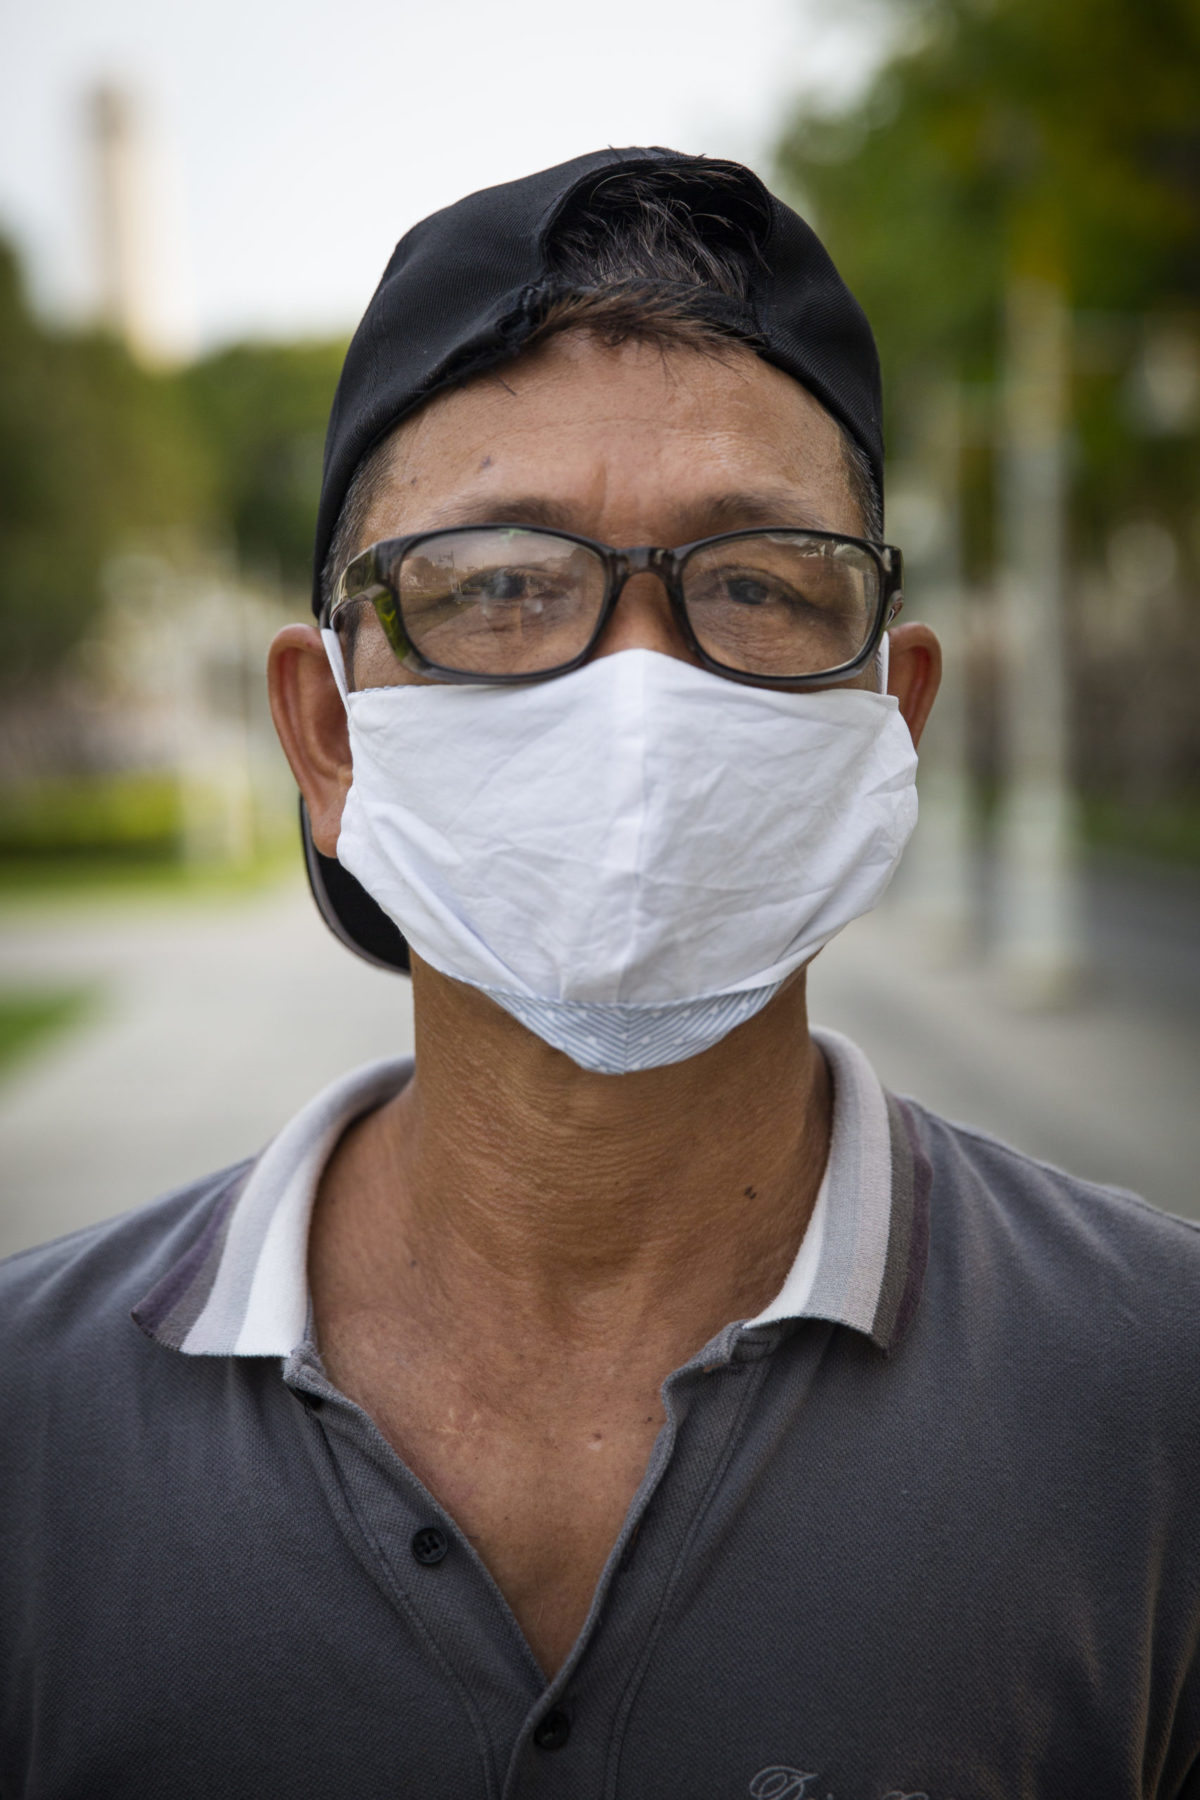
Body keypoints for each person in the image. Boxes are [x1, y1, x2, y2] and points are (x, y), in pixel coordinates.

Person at [2, 148, 1198, 1799]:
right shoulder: (28, 1425)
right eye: (499, 586)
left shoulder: (1160, 1397)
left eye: (760, 584)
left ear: (890, 725)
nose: (638, 693)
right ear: (326, 733)